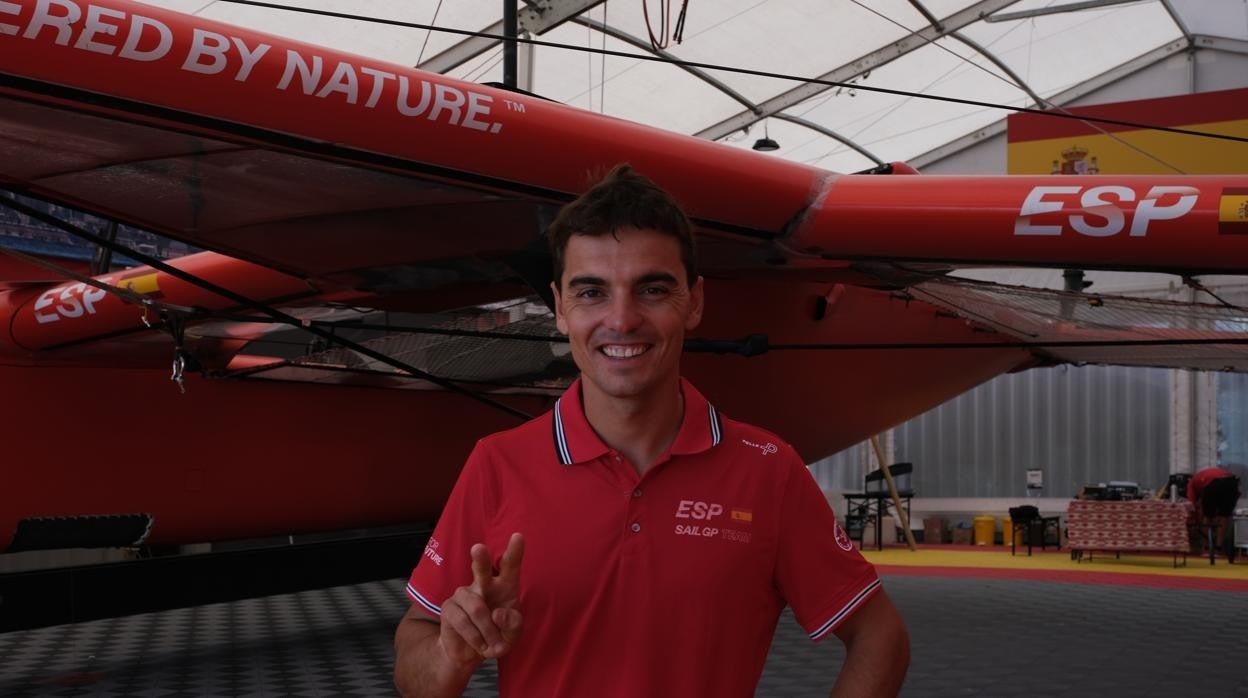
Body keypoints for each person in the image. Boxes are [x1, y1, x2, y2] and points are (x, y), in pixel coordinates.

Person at [393, 165, 910, 697]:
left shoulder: (767, 468)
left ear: (695, 302)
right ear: (560, 310)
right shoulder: (497, 463)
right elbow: (417, 651)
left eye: (652, 289)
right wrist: (449, 656)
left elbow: (879, 633)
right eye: (591, 292)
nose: (621, 319)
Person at [1187, 466, 1242, 555]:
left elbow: (1191, 505)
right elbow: (1238, 493)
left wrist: (1196, 520)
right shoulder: (1204, 475)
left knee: (1208, 516)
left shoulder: (1192, 483)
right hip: (1232, 481)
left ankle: (1207, 547)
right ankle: (1218, 547)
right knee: (1224, 515)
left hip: (1214, 483)